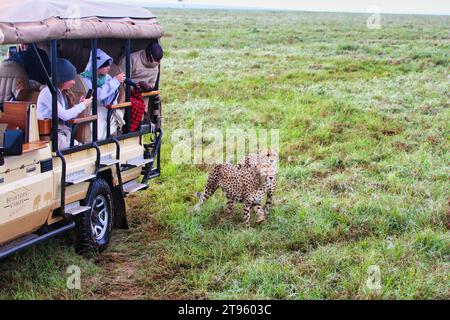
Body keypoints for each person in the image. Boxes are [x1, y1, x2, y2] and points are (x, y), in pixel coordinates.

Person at [37, 58, 93, 149]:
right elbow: (65, 116)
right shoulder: (48, 92)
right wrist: (82, 105)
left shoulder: (61, 93)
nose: (74, 82)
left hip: (61, 133)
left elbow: (67, 116)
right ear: (63, 79)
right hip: (52, 135)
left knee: (81, 147)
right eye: (71, 79)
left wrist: (79, 104)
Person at [81, 48, 126, 140]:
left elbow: (111, 96)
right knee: (98, 121)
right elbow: (97, 95)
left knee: (112, 114)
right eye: (105, 66)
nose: (108, 68)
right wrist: (115, 81)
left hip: (105, 107)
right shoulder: (84, 78)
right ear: (97, 65)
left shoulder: (106, 77)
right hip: (89, 108)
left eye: (109, 65)